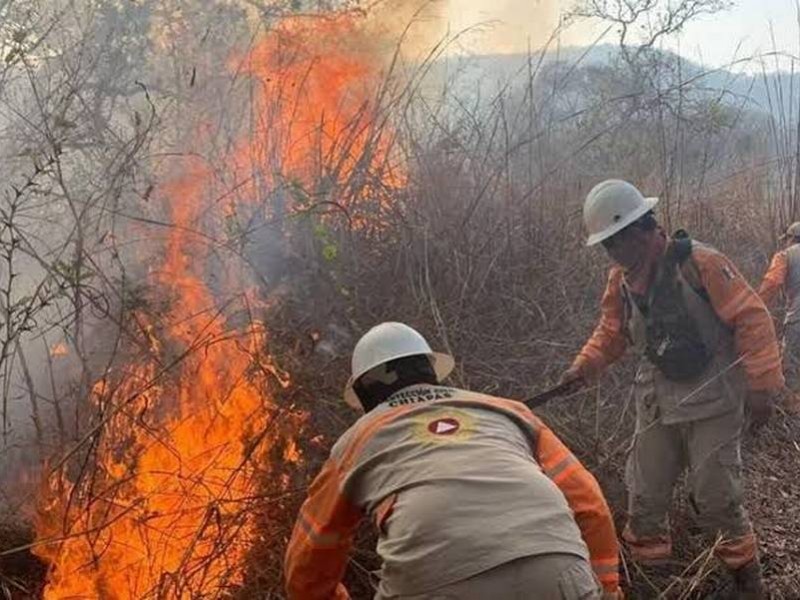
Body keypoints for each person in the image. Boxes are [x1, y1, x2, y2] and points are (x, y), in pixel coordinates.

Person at [559, 179, 784, 598]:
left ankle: (747, 584)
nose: (613, 253)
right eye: (607, 246)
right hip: (657, 401)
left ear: (644, 229)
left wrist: (761, 386)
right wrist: (583, 366)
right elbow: (611, 332)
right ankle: (652, 584)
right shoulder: (621, 282)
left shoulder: (701, 263)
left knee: (716, 497)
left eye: (617, 242)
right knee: (644, 496)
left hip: (713, 399)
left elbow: (753, 319)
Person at [285, 322, 623, 599]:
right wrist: (607, 590)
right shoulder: (508, 411)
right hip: (556, 570)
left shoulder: (357, 440)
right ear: (431, 369)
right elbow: (590, 505)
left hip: (436, 582)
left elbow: (312, 552)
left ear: (364, 393)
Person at [758, 221, 800, 412]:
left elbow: (771, 284)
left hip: (798, 318)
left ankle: (794, 408)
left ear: (792, 239)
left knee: (790, 362)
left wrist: (757, 310)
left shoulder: (785, 256)